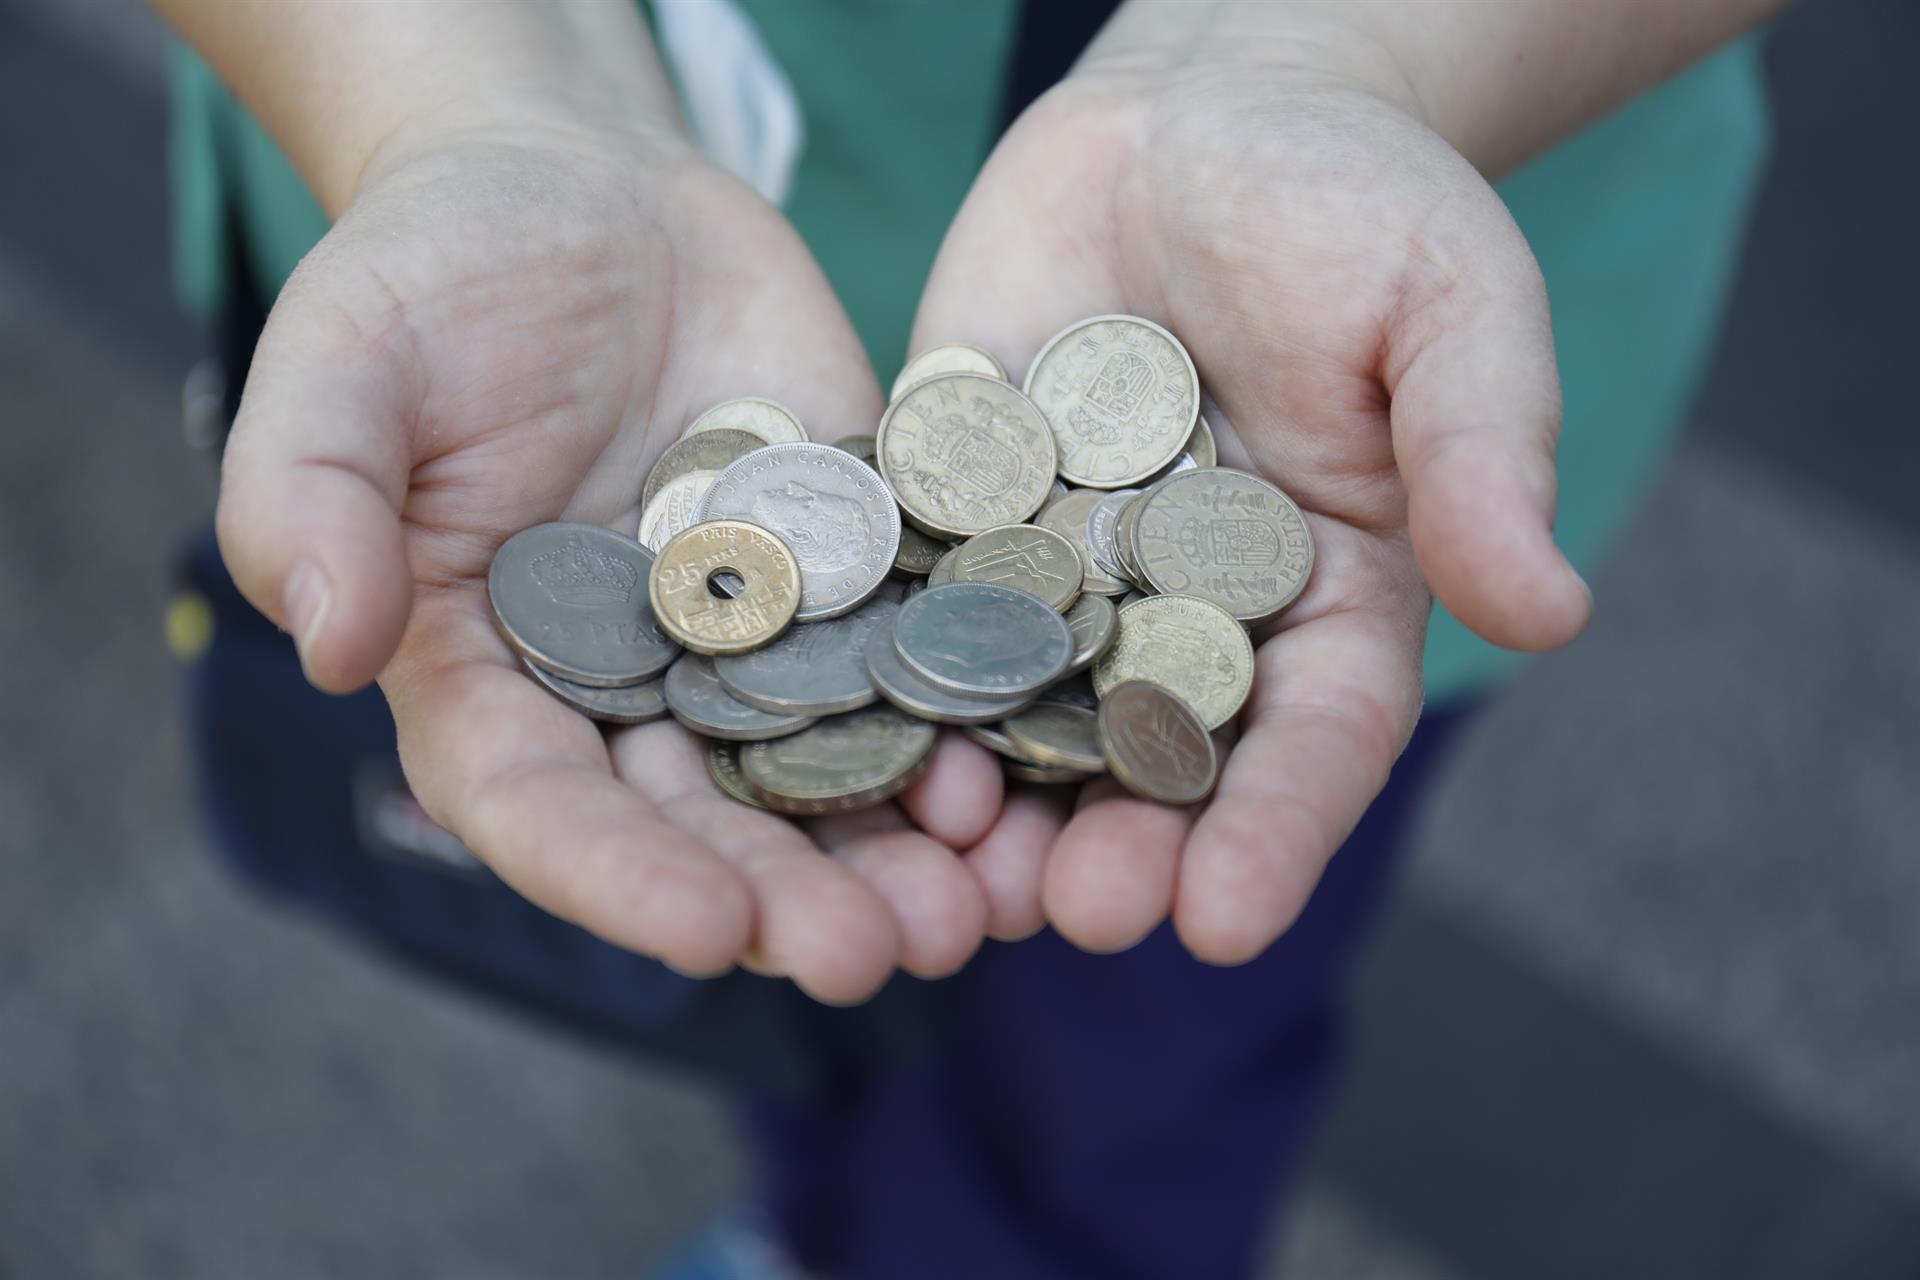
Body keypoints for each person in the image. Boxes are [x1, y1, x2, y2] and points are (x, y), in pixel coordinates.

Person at [155, 1, 1779, 1275]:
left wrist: (1340, 48)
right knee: (784, 955)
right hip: (556, 337)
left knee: (1130, 1079)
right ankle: (814, 1228)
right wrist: (458, 98)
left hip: (1305, 381)